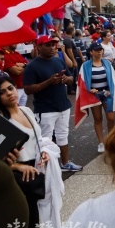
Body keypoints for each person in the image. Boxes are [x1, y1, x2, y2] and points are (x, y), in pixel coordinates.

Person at [0, 75, 51, 228]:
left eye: (11, 88)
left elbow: (37, 138)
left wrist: (44, 152)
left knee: (33, 227)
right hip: (13, 177)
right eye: (2, 92)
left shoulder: (25, 110)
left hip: (34, 172)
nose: (9, 93)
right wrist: (15, 165)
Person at [22, 35, 82, 171]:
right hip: (45, 108)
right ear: (39, 47)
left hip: (63, 106)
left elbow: (71, 78)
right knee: (45, 139)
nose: (51, 48)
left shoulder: (58, 61)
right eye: (47, 45)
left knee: (63, 135)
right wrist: (49, 81)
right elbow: (28, 89)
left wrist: (66, 79)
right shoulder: (32, 66)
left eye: (53, 45)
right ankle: (46, 168)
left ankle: (65, 163)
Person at [79, 43, 115, 153]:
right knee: (98, 119)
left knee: (111, 118)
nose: (99, 52)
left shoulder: (107, 63)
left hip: (107, 94)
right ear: (91, 52)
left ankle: (110, 140)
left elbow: (114, 79)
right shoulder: (85, 65)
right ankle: (101, 143)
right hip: (94, 96)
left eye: (101, 50)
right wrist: (89, 89)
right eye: (96, 50)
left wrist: (111, 90)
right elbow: (82, 81)